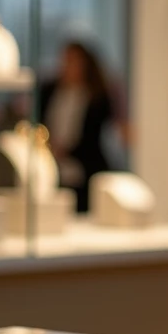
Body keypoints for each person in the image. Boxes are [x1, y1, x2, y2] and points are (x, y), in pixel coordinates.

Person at [39, 41, 117, 213]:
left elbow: (93, 137)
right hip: (51, 166)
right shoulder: (48, 90)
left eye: (73, 61)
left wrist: (66, 150)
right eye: (65, 60)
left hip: (84, 170)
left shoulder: (97, 98)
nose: (67, 66)